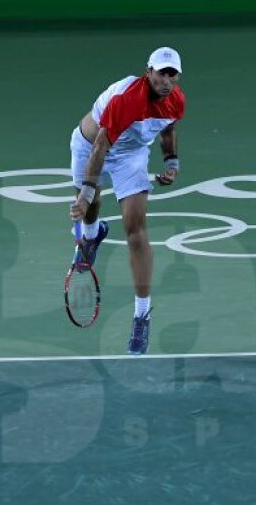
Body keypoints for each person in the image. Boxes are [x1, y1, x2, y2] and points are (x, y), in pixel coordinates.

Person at [68, 46, 186, 355]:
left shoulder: (176, 101)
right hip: (90, 145)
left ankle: (141, 314)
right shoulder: (127, 99)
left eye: (172, 74)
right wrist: (86, 193)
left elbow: (168, 128)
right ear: (149, 72)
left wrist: (171, 163)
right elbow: (100, 147)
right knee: (89, 209)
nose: (166, 79)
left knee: (136, 230)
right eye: (161, 72)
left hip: (131, 156)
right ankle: (91, 236)